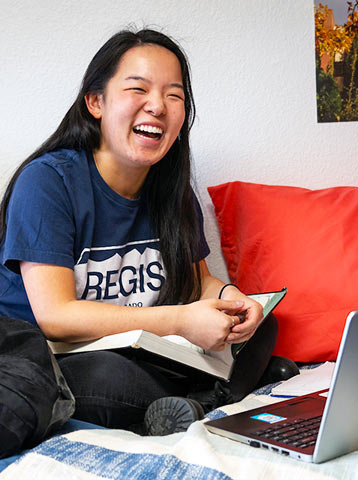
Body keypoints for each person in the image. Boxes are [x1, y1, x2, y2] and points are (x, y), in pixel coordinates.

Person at [0, 28, 298, 440]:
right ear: (96, 102)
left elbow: (196, 282)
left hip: (150, 346)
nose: (157, 105)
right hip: (66, 355)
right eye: (138, 88)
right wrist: (180, 320)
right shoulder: (48, 182)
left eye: (174, 95)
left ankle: (195, 402)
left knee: (263, 323)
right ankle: (222, 395)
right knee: (107, 377)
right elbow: (57, 316)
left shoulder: (170, 187)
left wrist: (231, 300)